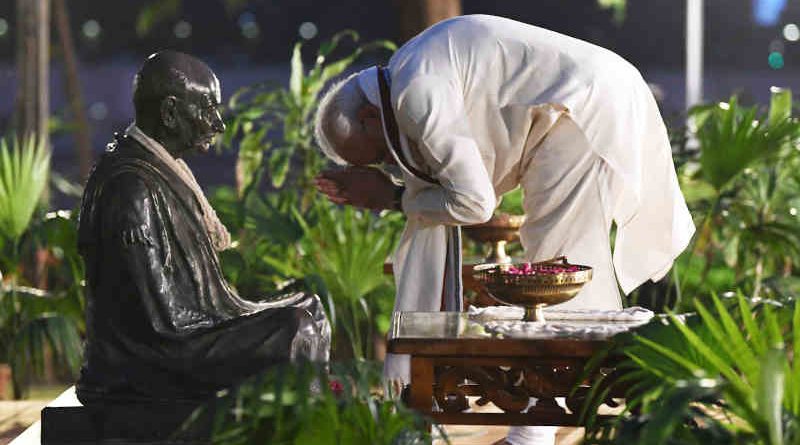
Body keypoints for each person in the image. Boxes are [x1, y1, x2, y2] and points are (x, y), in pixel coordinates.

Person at [313, 15, 695, 445]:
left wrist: (394, 198)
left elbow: (475, 203)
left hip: (582, 106)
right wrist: (396, 193)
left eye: (381, 154)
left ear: (368, 116)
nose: (391, 163)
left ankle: (540, 431)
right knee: (558, 265)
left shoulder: (414, 91)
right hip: (576, 105)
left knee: (558, 265)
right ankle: (553, 422)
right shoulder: (408, 71)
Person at [76, 50, 330, 405]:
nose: (218, 124)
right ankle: (311, 426)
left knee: (310, 305)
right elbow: (160, 327)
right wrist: (242, 321)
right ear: (168, 113)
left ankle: (313, 416)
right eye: (207, 108)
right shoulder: (130, 188)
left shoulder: (159, 168)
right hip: (148, 360)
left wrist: (240, 314)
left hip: (189, 328)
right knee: (295, 329)